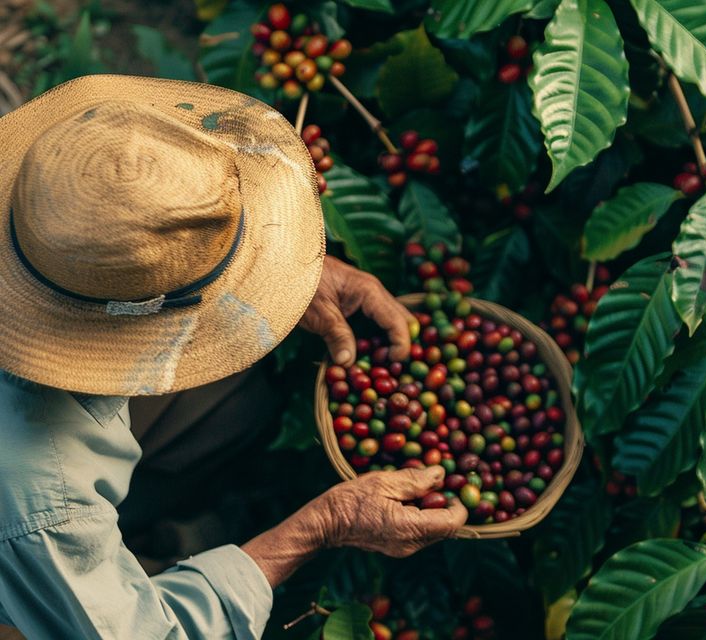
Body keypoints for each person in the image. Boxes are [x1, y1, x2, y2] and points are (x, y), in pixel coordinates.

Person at [0, 75, 468, 639]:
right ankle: (103, 566)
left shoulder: (51, 199)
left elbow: (109, 248)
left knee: (231, 407)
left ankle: (142, 527)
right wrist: (323, 525)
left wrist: (282, 276)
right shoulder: (42, 496)